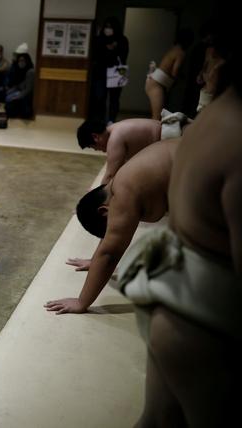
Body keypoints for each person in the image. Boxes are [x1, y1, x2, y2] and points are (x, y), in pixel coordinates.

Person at [114, 41, 242, 425]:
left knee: (157, 420)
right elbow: (108, 250)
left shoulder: (212, 118)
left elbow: (109, 249)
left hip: (170, 299)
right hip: (199, 317)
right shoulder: (232, 131)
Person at [44, 138, 179, 314]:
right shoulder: (122, 180)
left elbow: (110, 252)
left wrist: (81, 301)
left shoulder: (123, 191)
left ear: (103, 211)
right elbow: (111, 236)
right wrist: (94, 261)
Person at [77, 118, 168, 184]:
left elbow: (110, 175)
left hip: (169, 140)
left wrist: (95, 196)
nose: (98, 150)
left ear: (95, 137)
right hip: (168, 135)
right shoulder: (115, 128)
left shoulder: (114, 139)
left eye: (94, 147)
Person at [145, 29, 194, 120]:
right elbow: (175, 72)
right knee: (157, 116)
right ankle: (152, 134)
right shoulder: (181, 53)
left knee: (157, 115)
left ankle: (154, 133)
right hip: (156, 84)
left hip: (155, 82)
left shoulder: (173, 48)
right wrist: (182, 77)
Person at [89, 17, 129, 123]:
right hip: (100, 73)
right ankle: (99, 120)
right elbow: (95, 56)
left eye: (110, 27)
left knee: (114, 99)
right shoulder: (99, 39)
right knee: (99, 98)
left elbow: (123, 57)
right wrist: (108, 49)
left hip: (116, 73)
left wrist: (113, 50)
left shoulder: (122, 40)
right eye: (106, 27)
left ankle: (111, 120)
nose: (108, 29)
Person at [4, 44, 35, 119]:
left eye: (23, 60)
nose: (21, 62)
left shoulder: (30, 71)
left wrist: (17, 97)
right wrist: (10, 91)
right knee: (7, 98)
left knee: (13, 106)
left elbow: (28, 89)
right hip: (19, 91)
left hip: (26, 96)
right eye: (19, 61)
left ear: (27, 61)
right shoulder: (19, 70)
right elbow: (18, 85)